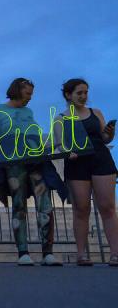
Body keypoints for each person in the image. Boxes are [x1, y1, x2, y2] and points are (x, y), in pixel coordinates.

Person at [0, 78, 63, 266]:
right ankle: (23, 251)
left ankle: (48, 252)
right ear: (17, 91)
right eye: (27, 93)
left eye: (31, 94)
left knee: (45, 204)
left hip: (35, 158)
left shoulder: (28, 111)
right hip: (13, 162)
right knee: (18, 204)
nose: (30, 98)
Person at [57, 78, 118, 266]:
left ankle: (115, 254)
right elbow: (61, 144)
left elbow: (105, 139)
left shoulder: (96, 112)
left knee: (107, 207)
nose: (84, 96)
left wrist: (110, 133)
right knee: (81, 208)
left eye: (85, 92)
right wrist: (68, 152)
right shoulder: (60, 118)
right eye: (79, 93)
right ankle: (82, 254)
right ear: (68, 95)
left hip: (101, 160)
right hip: (77, 164)